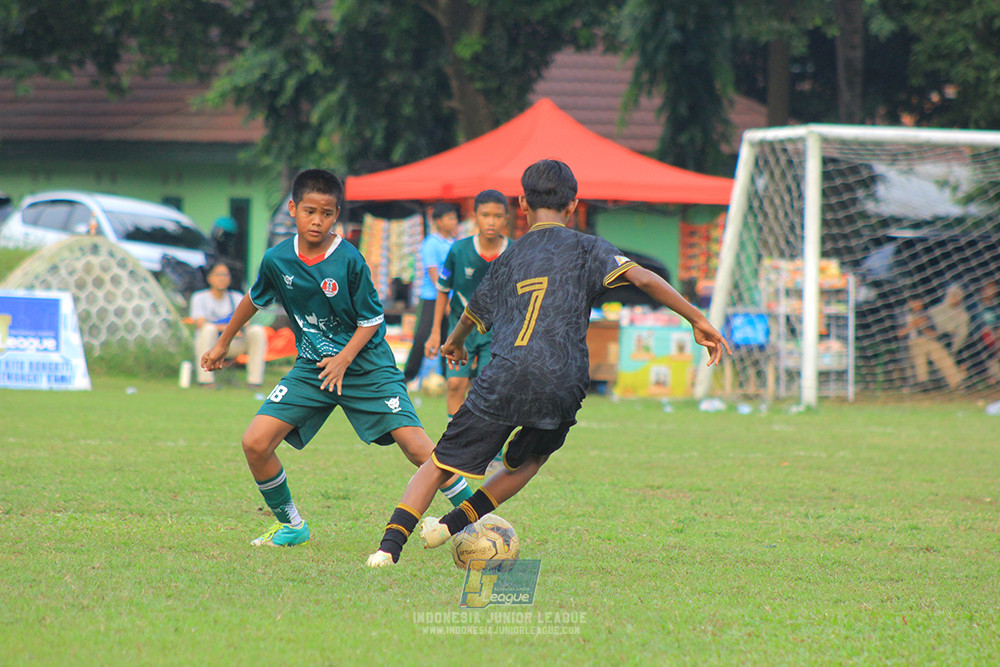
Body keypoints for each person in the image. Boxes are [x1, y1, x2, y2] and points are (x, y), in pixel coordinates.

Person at [366, 160, 730, 567]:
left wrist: (454, 343)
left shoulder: (509, 257)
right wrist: (697, 319)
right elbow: (644, 279)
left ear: (521, 204)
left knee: (440, 462)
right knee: (529, 460)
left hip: (506, 373)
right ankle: (448, 526)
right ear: (573, 205)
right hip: (563, 379)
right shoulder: (590, 247)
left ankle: (387, 550)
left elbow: (471, 312)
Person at [201, 169, 472, 548]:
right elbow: (253, 298)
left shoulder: (349, 260)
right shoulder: (278, 260)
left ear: (337, 214)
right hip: (314, 369)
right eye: (309, 211)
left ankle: (478, 518)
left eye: (327, 213)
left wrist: (344, 358)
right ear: (293, 209)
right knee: (255, 443)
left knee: (416, 447)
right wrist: (223, 342)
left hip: (367, 367)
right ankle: (292, 525)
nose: (317, 221)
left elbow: (371, 319)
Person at [424, 189, 510, 422]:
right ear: (475, 216)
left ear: (506, 218)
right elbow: (442, 290)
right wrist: (434, 333)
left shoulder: (513, 252)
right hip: (459, 329)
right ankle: (456, 443)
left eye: (497, 216)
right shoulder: (459, 250)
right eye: (485, 215)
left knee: (489, 388)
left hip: (496, 332)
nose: (491, 221)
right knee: (454, 384)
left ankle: (493, 453)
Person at [402, 203, 460, 386]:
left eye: (455, 218)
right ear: (438, 222)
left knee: (447, 338)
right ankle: (408, 377)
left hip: (450, 298)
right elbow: (435, 275)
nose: (454, 222)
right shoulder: (430, 243)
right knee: (422, 337)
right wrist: (445, 299)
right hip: (431, 298)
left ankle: (446, 377)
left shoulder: (454, 244)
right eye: (450, 218)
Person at [189, 262, 267, 389]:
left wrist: (233, 331)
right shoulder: (199, 297)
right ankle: (206, 381)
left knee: (257, 331)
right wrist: (229, 329)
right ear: (209, 278)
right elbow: (200, 323)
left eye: (225, 275)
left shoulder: (236, 297)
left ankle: (254, 381)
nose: (222, 278)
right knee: (208, 329)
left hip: (233, 342)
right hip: (211, 344)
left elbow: (246, 321)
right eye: (218, 274)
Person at [897, 293, 965, 390]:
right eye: (915, 303)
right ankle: (922, 382)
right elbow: (899, 334)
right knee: (919, 353)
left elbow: (934, 334)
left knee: (941, 353)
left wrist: (924, 327)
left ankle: (956, 382)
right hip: (912, 342)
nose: (918, 305)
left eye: (920, 303)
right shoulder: (902, 315)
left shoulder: (925, 315)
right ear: (910, 303)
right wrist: (914, 324)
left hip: (928, 340)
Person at [965, 280, 1000, 384]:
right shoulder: (974, 305)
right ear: (983, 290)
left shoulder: (996, 306)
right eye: (988, 289)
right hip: (978, 336)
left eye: (993, 289)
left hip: (994, 336)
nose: (991, 292)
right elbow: (973, 323)